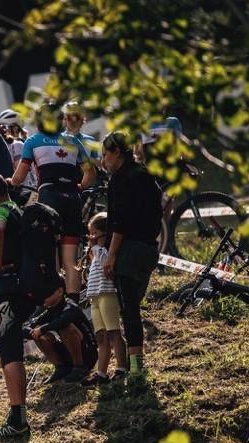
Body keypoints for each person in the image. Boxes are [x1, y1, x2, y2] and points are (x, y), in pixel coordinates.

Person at [8, 103, 96, 299]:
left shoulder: (32, 141)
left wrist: (11, 182)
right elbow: (90, 174)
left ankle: (54, 301)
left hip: (48, 198)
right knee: (70, 258)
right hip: (72, 198)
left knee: (50, 255)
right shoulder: (73, 141)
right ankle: (72, 303)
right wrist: (79, 187)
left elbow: (20, 177)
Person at [0, 171, 36, 437]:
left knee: (10, 352)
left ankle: (17, 419)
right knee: (12, 351)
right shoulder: (17, 209)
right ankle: (17, 416)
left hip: (5, 288)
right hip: (23, 287)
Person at [100, 132, 163, 381]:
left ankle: (136, 366)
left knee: (129, 310)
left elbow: (121, 219)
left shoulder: (120, 178)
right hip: (149, 250)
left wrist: (112, 254)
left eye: (105, 155)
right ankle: (135, 364)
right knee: (132, 307)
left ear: (117, 152)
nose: (104, 161)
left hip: (128, 250)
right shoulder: (146, 174)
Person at [80, 213, 125, 386]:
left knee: (114, 332)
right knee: (101, 336)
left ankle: (121, 368)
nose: (91, 236)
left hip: (107, 293)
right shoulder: (96, 251)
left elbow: (107, 262)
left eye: (94, 232)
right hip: (95, 297)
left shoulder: (108, 250)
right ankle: (101, 373)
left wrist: (95, 247)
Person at [26, 285, 98, 384]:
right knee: (36, 333)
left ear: (59, 292)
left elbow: (63, 321)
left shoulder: (70, 305)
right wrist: (41, 333)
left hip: (87, 355)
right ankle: (61, 368)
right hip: (67, 354)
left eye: (46, 293)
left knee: (66, 327)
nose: (42, 297)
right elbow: (25, 330)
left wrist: (43, 329)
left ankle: (79, 368)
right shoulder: (50, 310)